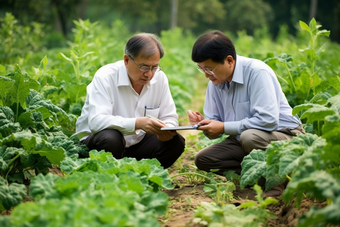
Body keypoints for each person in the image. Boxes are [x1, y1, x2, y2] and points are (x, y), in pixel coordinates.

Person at [187, 30, 305, 197]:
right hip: (247, 141)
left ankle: (276, 187)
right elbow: (218, 124)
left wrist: (223, 127)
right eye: (201, 69)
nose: (206, 75)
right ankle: (264, 176)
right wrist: (205, 124)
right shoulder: (215, 82)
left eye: (209, 69)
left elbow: (268, 121)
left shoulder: (257, 72)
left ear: (229, 60)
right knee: (204, 159)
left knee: (249, 137)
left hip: (284, 136)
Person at [73, 33, 185, 169]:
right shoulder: (105, 77)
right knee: (111, 137)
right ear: (126, 60)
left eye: (154, 67)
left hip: (135, 146)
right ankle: (106, 176)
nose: (149, 74)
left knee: (176, 142)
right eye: (144, 67)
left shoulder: (159, 78)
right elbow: (96, 122)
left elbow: (170, 116)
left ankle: (140, 177)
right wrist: (137, 123)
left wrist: (166, 130)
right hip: (99, 145)